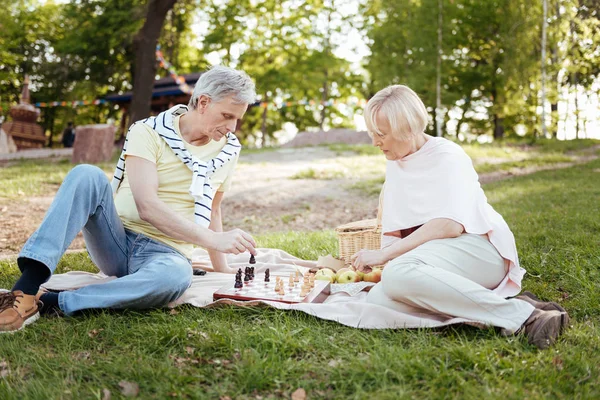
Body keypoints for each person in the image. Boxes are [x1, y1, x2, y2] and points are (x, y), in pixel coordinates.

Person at [0, 66, 258, 333]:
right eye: (227, 116)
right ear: (203, 102)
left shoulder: (229, 150)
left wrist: (223, 266)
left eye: (237, 119)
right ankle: (25, 290)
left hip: (168, 254)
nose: (231, 127)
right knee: (86, 175)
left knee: (175, 278)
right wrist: (212, 239)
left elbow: (213, 209)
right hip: (117, 240)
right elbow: (147, 206)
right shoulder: (148, 131)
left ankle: (54, 301)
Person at [351, 85, 569, 349]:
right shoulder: (395, 162)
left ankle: (527, 318)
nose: (375, 142)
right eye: (372, 134)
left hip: (480, 250)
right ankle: (506, 307)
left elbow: (450, 225)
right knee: (378, 300)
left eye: (381, 134)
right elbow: (397, 226)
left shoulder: (448, 155)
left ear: (407, 130)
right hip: (433, 257)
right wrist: (384, 261)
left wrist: (386, 257)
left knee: (399, 275)